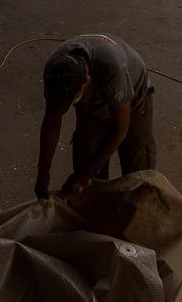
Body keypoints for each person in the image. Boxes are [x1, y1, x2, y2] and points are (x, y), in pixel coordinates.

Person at [35, 33, 156, 202]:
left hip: (133, 97)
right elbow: (52, 118)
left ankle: (136, 207)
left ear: (87, 81)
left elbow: (121, 128)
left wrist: (88, 173)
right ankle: (96, 207)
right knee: (87, 157)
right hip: (93, 102)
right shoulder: (55, 71)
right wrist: (43, 171)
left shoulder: (112, 68)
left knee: (137, 167)